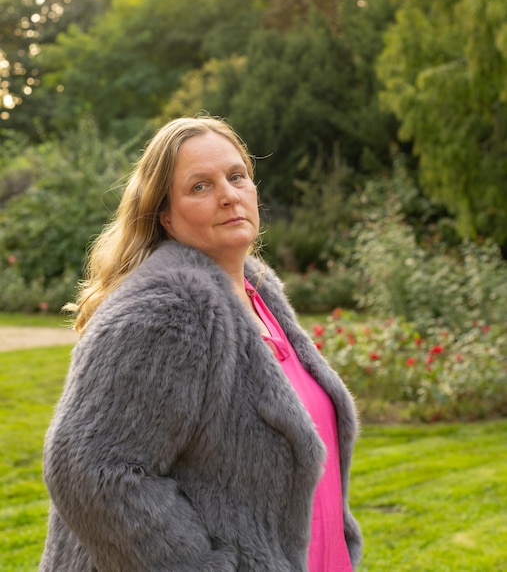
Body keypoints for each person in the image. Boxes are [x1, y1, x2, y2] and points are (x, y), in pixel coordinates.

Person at [39, 115, 362, 572]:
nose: (229, 194)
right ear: (165, 216)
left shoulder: (255, 291)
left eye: (236, 177)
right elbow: (90, 472)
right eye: (200, 187)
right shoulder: (167, 310)